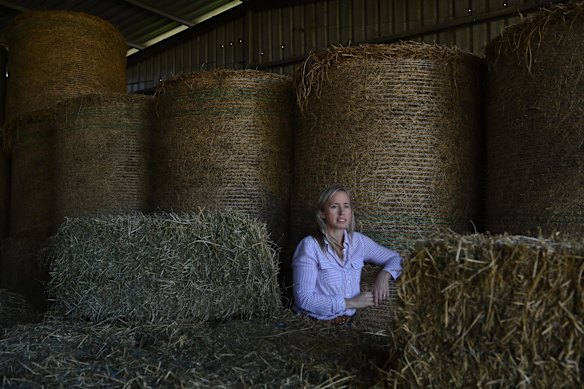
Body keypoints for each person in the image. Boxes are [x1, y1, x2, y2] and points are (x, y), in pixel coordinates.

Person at [292, 184, 403, 325]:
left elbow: (396, 258)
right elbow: (303, 299)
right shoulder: (309, 246)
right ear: (322, 213)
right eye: (334, 207)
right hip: (312, 326)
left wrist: (385, 275)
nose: (341, 212)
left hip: (346, 326)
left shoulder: (358, 242)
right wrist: (351, 302)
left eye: (346, 206)